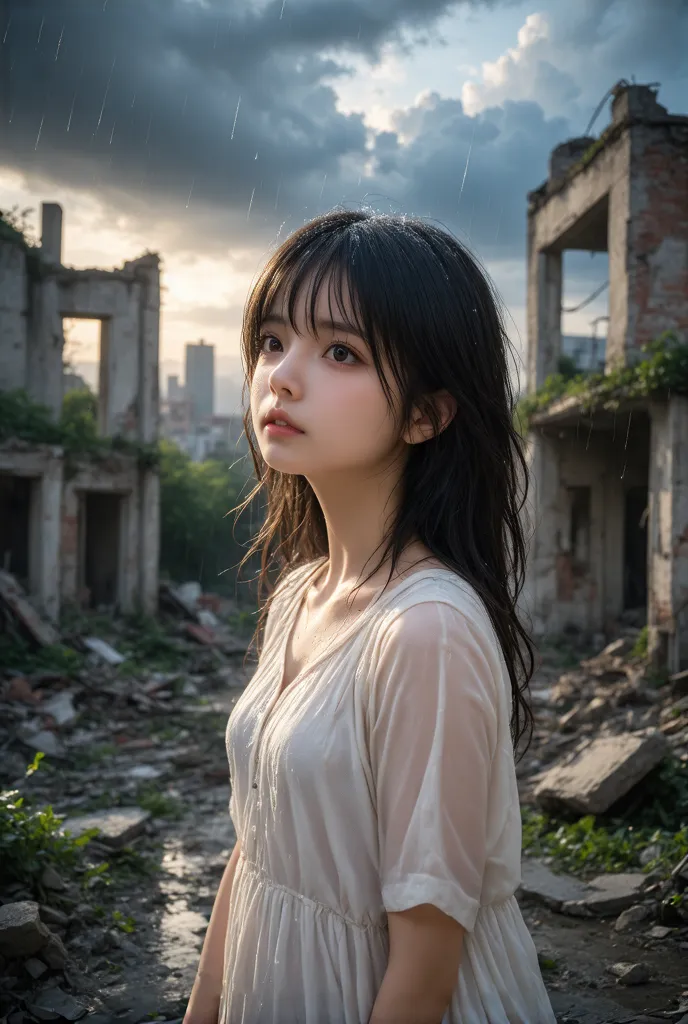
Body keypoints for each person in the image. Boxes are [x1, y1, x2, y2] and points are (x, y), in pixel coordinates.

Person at [184, 209, 556, 1024]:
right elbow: (259, 850)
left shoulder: (427, 632)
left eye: (340, 352)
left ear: (427, 414)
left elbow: (424, 970)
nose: (280, 377)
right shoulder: (300, 595)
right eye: (274, 340)